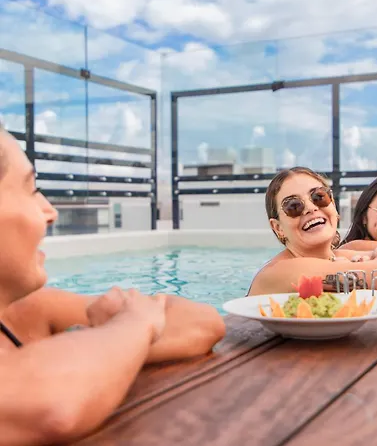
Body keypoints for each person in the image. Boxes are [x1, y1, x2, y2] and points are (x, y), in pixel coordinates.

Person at [0, 125, 225, 445]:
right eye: (31, 188)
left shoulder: (29, 312)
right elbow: (46, 405)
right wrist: (133, 324)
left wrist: (105, 340)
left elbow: (201, 322)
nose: (50, 211)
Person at [247, 167, 377, 296]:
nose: (311, 208)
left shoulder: (338, 257)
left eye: (319, 197)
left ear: (334, 208)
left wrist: (375, 263)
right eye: (293, 206)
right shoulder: (280, 271)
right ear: (278, 228)